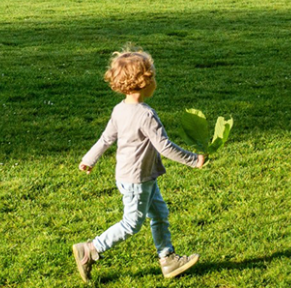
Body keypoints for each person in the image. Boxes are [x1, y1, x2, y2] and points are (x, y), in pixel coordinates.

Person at [72, 48, 205, 283]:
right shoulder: (146, 115)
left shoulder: (120, 109)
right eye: (152, 77)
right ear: (144, 82)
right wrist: (193, 160)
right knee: (132, 223)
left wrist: (88, 159)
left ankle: (168, 259)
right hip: (136, 180)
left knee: (160, 214)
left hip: (137, 176)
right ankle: (90, 250)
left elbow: (105, 139)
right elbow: (164, 146)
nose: (155, 82)